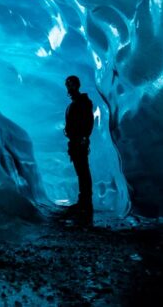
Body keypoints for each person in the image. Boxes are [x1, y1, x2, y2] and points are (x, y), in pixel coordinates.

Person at [64, 75, 94, 225]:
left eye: (70, 84)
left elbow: (88, 121)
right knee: (81, 170)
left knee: (83, 170)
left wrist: (83, 137)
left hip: (79, 142)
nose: (68, 88)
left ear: (76, 85)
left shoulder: (83, 102)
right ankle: (84, 200)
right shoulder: (77, 103)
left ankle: (86, 202)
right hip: (75, 142)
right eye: (67, 85)